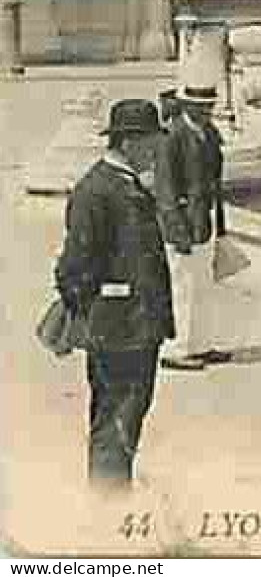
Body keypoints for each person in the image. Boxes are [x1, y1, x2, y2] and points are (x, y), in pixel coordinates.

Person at [54, 99, 173, 488]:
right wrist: (97, 307)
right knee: (115, 417)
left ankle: (112, 494)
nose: (157, 151)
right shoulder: (97, 190)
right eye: (152, 142)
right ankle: (107, 508)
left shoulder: (123, 184)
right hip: (120, 328)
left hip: (135, 325)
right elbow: (74, 266)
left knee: (128, 414)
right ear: (131, 142)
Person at [154, 84, 228, 371]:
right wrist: (175, 230)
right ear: (187, 107)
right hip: (183, 223)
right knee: (183, 286)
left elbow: (215, 184)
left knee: (203, 285)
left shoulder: (208, 134)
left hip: (203, 221)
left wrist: (219, 226)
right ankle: (178, 348)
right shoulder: (173, 137)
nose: (207, 112)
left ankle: (201, 344)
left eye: (209, 107)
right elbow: (166, 191)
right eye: (201, 107)